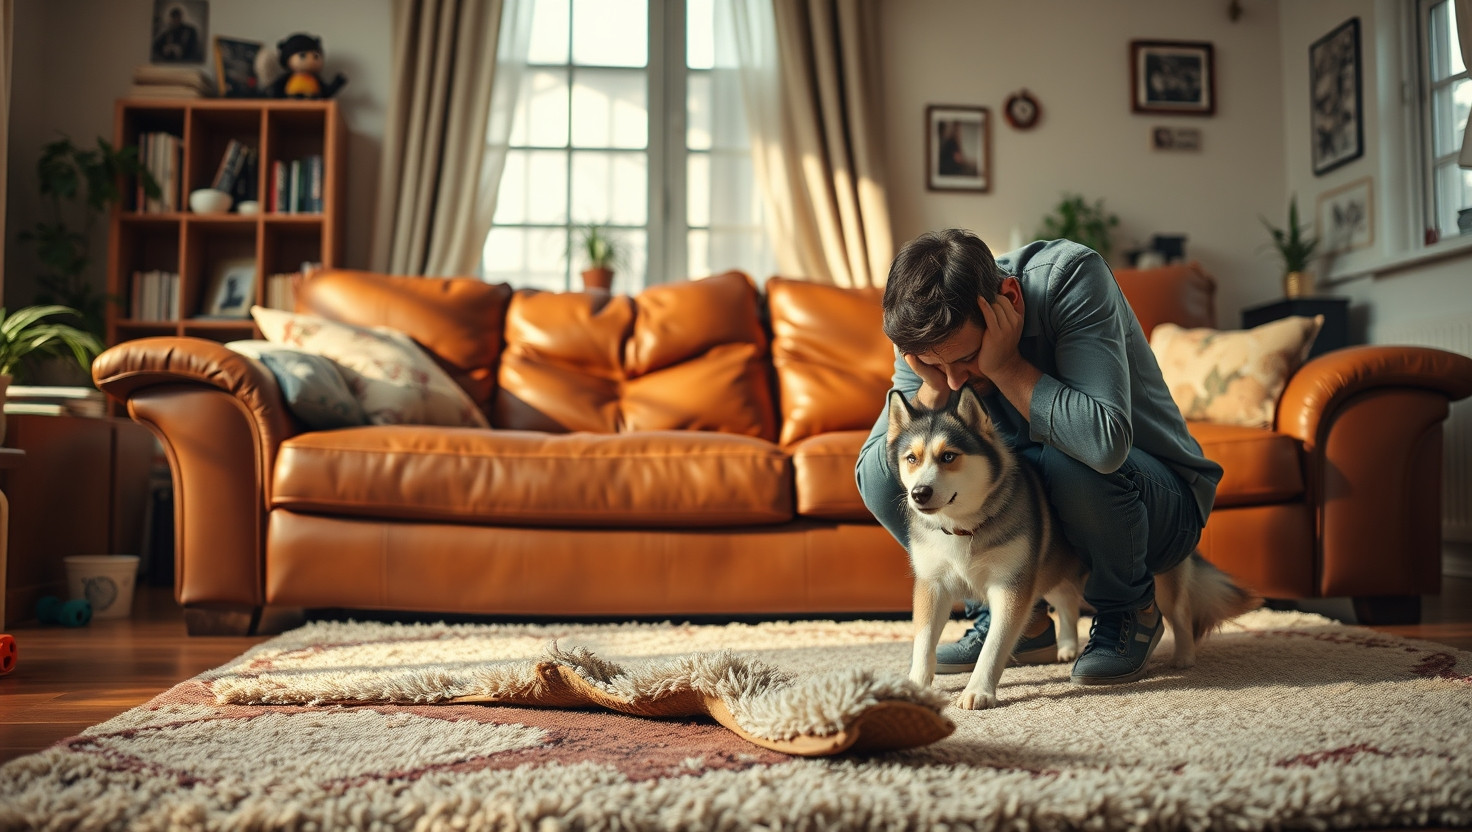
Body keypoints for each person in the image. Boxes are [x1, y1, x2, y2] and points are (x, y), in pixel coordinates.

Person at [854, 229, 1223, 685]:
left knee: (1067, 458)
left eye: (966, 358)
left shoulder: (1070, 279)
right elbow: (872, 474)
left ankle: (1130, 607)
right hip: (1046, 520)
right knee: (898, 473)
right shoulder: (930, 336)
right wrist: (927, 387)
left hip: (1155, 504)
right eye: (935, 366)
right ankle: (1020, 622)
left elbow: (1104, 445)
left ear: (1008, 297)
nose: (954, 383)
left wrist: (1006, 366)